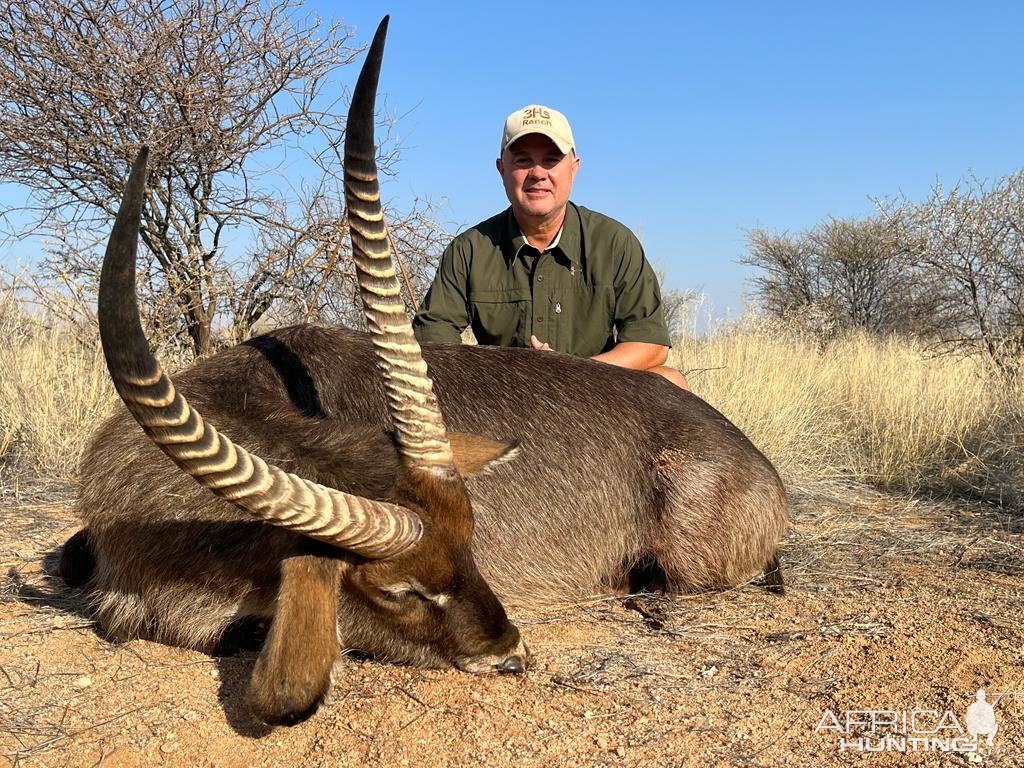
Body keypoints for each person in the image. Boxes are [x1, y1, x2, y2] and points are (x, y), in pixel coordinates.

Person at [412, 104, 689, 390]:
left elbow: (652, 346)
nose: (537, 173)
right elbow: (433, 340)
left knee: (671, 382)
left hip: (594, 392)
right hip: (503, 395)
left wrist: (569, 372)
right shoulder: (468, 249)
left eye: (551, 160)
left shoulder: (615, 242)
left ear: (574, 167)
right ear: (501, 169)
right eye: (522, 161)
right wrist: (502, 376)